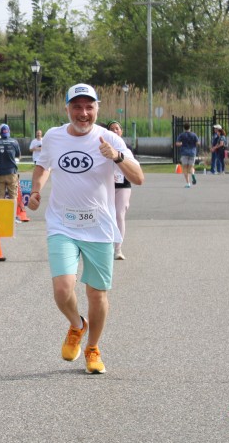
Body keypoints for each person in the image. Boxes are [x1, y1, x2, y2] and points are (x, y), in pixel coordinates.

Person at [27, 84, 144, 375]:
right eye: (77, 107)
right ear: (67, 108)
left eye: (89, 107)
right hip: (62, 223)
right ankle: (77, 324)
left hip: (98, 227)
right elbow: (43, 166)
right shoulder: (53, 137)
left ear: (97, 109)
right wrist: (36, 191)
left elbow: (139, 177)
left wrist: (116, 156)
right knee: (62, 288)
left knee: (96, 294)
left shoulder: (109, 138)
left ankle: (92, 347)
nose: (83, 113)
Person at [106, 121, 132, 260]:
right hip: (107, 186)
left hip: (123, 185)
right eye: (111, 129)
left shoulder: (126, 147)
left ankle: (118, 249)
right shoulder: (102, 147)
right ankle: (106, 246)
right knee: (106, 216)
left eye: (117, 128)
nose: (114, 131)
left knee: (119, 214)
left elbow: (132, 166)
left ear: (121, 131)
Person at [0, 123, 21, 200]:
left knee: (0, 198)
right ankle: (13, 208)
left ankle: (1, 208)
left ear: (0, 132)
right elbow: (18, 155)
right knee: (13, 197)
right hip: (11, 173)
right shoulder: (14, 142)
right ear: (9, 132)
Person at [174, 122, 200, 188]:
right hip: (192, 152)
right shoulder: (194, 135)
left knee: (185, 168)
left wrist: (181, 144)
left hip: (184, 153)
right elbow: (198, 143)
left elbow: (177, 143)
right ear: (190, 127)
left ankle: (188, 183)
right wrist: (194, 144)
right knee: (191, 167)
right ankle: (193, 174)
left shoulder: (181, 135)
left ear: (184, 128)